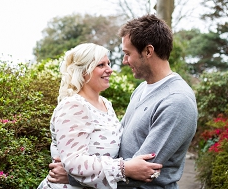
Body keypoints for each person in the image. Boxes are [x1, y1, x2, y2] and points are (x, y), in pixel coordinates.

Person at [49, 15, 198, 189]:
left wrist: (72, 176)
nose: (124, 61)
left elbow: (143, 170)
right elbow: (120, 145)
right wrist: (77, 168)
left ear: (148, 51)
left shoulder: (177, 101)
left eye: (127, 53)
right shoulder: (142, 89)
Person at [38, 43, 162, 189]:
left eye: (108, 64)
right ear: (83, 71)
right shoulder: (73, 106)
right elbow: (74, 162)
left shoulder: (106, 104)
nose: (109, 70)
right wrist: (125, 168)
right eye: (101, 65)